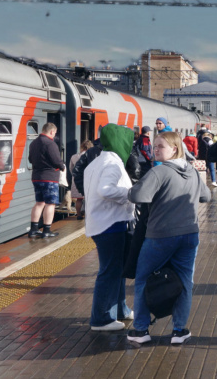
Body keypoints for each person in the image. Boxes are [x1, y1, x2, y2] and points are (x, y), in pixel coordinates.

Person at [127, 131, 211, 345]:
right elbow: (206, 196)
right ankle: (179, 331)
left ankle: (140, 330)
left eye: (160, 146)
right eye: (154, 146)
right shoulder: (191, 171)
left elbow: (137, 196)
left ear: (174, 149)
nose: (155, 150)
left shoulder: (159, 172)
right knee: (184, 282)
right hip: (189, 235)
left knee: (143, 279)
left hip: (160, 236)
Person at [83, 124, 135, 331]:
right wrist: (131, 194)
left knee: (117, 270)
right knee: (110, 271)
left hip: (104, 222)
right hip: (110, 225)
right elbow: (106, 190)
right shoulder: (113, 164)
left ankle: (120, 309)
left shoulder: (97, 162)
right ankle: (102, 318)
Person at [28, 122, 65, 238]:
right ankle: (46, 230)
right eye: (54, 133)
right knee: (50, 204)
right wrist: (62, 166)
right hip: (49, 178)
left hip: (36, 177)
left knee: (39, 203)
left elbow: (30, 159)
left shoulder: (33, 143)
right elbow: (56, 160)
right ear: (52, 131)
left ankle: (33, 229)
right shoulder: (50, 144)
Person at [70, 140, 93, 220]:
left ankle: (79, 215)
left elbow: (71, 168)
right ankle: (88, 215)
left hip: (76, 180)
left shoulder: (74, 156)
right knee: (88, 199)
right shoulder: (90, 156)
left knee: (78, 199)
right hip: (88, 179)